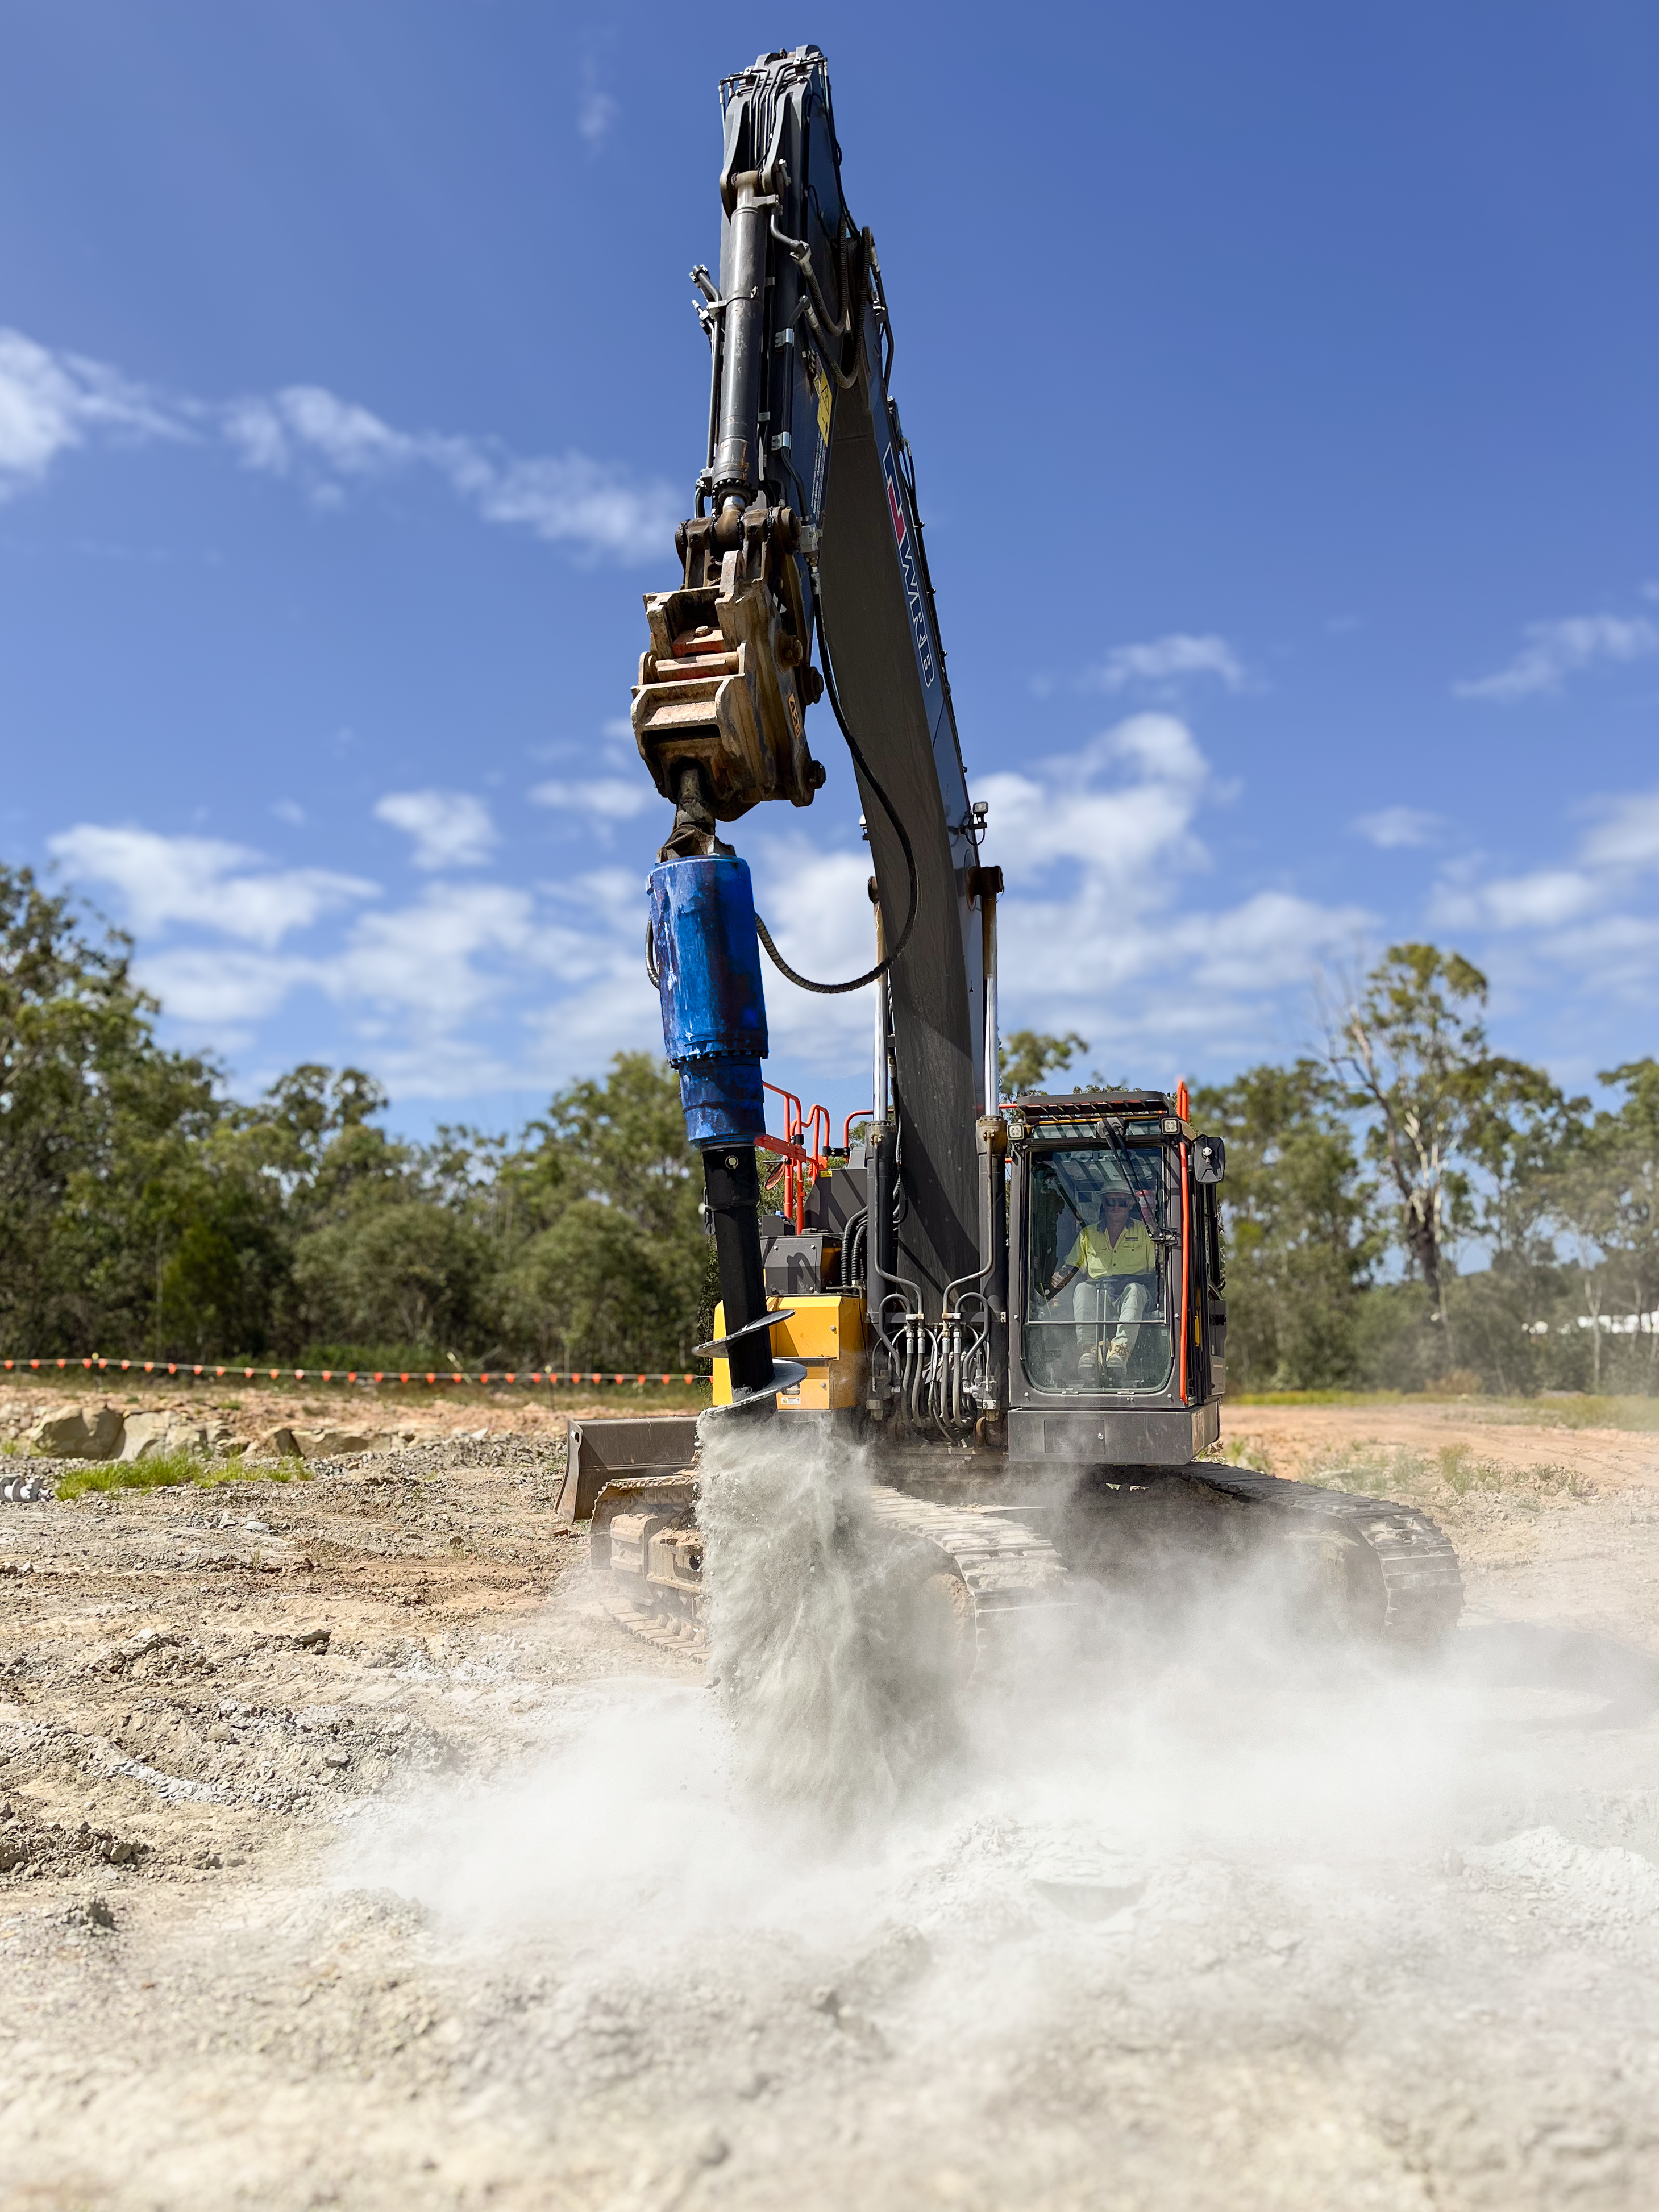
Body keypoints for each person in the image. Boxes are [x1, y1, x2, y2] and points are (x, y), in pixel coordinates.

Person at [1049, 1181, 1159, 1380]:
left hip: (1133, 1295)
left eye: (1121, 1202)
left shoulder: (1145, 1233)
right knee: (1083, 1288)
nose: (1116, 1207)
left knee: (1134, 1290)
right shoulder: (1088, 1235)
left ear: (1130, 1205)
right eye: (1111, 1202)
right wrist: (1061, 1277)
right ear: (1103, 1204)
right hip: (1101, 1298)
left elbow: (1158, 1269)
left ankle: (1120, 1351)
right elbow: (1072, 1268)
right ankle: (1088, 1350)